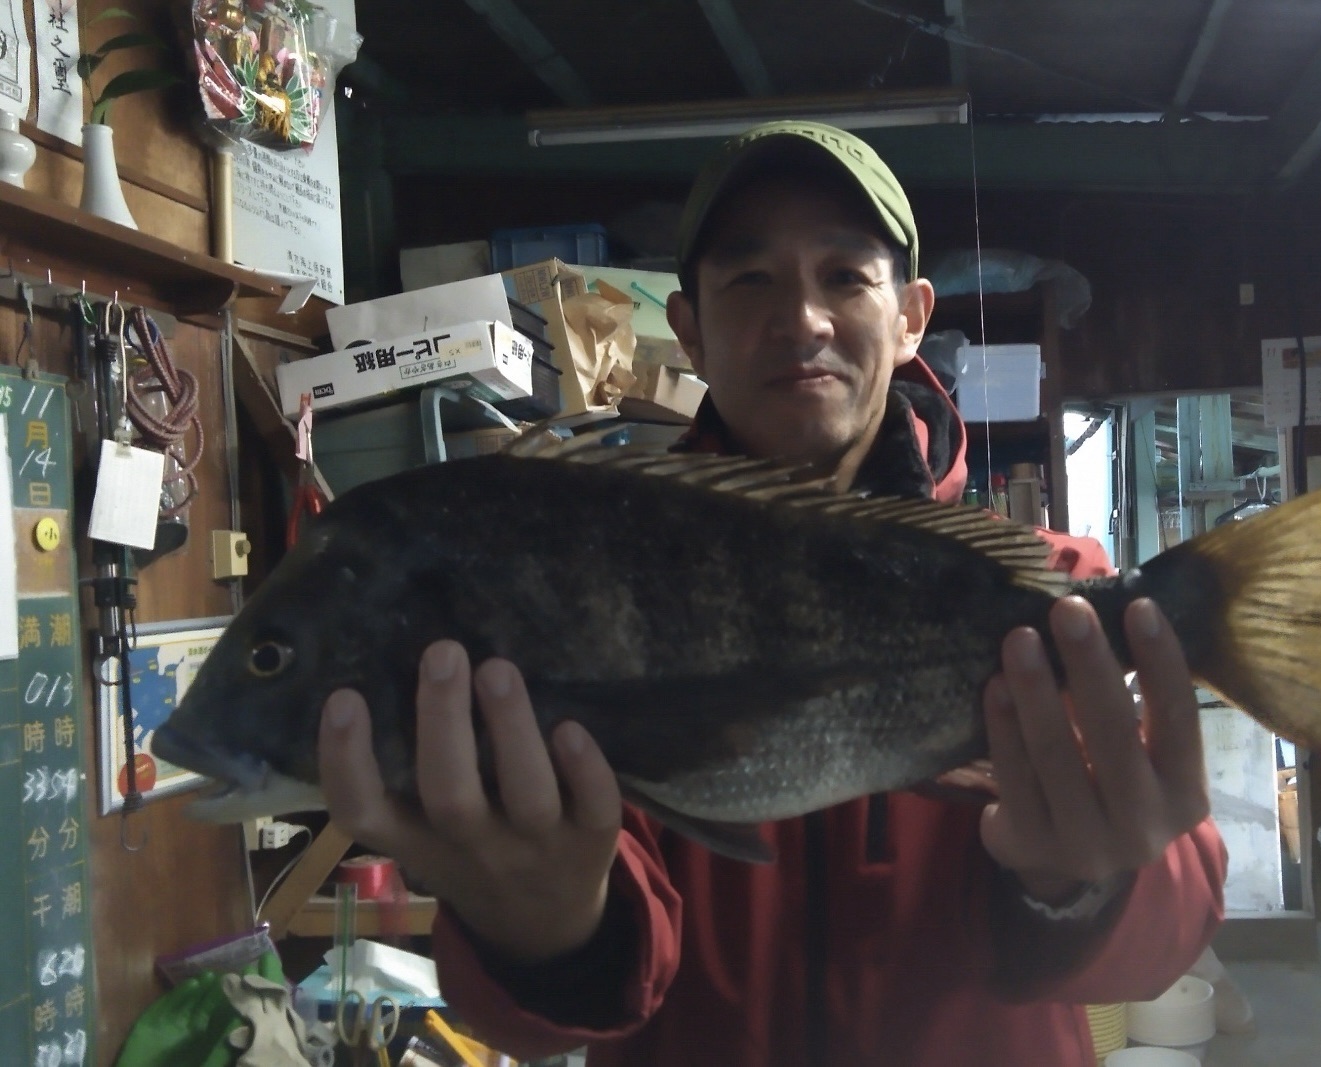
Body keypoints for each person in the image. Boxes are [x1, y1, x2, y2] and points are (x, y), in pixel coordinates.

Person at [317, 122, 1226, 1066]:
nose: (803, 319)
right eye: (750, 279)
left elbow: (1176, 919)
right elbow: (542, 1010)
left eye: (845, 275)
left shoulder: (1061, 596)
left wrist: (1085, 885)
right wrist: (543, 929)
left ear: (912, 314)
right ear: (691, 328)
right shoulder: (595, 594)